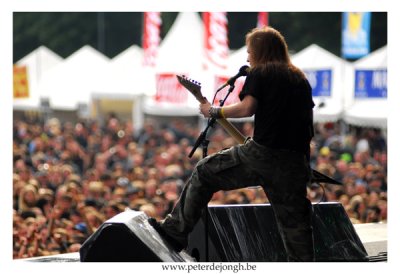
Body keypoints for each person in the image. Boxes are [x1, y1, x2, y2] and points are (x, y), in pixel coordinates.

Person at [156, 26, 316, 261]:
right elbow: (307, 125)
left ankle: (174, 232)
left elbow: (246, 108)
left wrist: (214, 110)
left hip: (264, 155)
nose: (247, 56)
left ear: (261, 51)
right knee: (295, 228)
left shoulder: (261, 73)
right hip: (294, 162)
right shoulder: (299, 78)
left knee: (204, 172)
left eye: (250, 51)